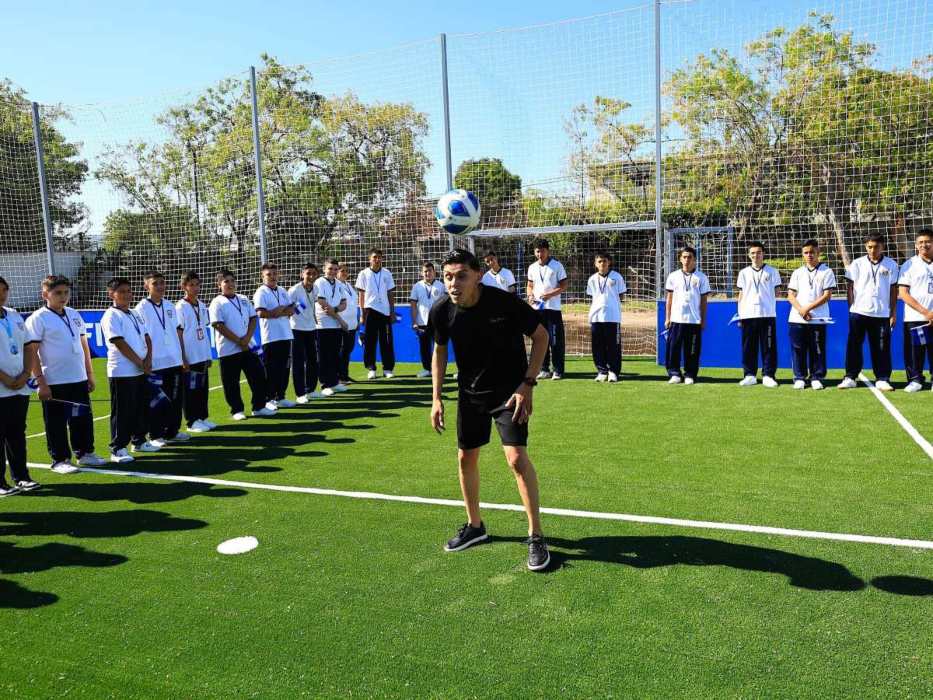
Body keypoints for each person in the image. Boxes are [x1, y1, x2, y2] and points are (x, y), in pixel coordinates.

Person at [430, 249, 552, 572]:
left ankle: (536, 535)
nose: (453, 283)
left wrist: (527, 384)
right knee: (465, 457)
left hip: (509, 393)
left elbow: (541, 337)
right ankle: (475, 526)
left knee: (516, 459)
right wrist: (436, 397)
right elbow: (439, 351)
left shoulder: (504, 302)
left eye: (461, 276)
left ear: (478, 276)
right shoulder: (441, 309)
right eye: (448, 277)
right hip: (470, 394)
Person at [24, 274, 106, 472]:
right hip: (53, 380)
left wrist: (89, 373)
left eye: (66, 292)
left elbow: (84, 345)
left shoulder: (73, 313)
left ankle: (85, 453)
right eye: (58, 293)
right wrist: (41, 382)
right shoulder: (38, 318)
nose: (63, 297)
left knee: (82, 418)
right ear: (45, 294)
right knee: (56, 422)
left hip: (78, 377)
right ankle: (60, 460)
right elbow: (31, 351)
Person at [100, 277, 161, 462]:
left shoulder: (134, 313)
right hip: (122, 371)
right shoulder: (111, 315)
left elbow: (147, 338)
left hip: (139, 369)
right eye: (122, 291)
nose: (127, 294)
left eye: (129, 291)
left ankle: (139, 441)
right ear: (111, 294)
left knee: (140, 408)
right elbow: (118, 342)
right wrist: (139, 362)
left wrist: (148, 359)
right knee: (122, 411)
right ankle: (117, 448)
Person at [209, 269, 275, 420]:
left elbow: (253, 319)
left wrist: (247, 339)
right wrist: (239, 341)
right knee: (231, 382)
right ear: (218, 284)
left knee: (258, 376)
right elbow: (218, 325)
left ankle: (259, 406)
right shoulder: (217, 302)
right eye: (226, 281)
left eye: (232, 281)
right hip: (228, 349)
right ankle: (237, 410)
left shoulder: (243, 298)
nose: (230, 284)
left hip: (248, 346)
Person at [839, 234, 899, 391]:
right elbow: (850, 288)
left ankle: (882, 378)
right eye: (869, 247)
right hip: (859, 312)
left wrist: (893, 312)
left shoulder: (891, 264)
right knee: (854, 345)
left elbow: (893, 290)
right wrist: (852, 308)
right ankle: (850, 376)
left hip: (881, 314)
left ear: (883, 247)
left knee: (881, 347)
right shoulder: (857, 264)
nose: (873, 250)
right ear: (866, 247)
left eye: (876, 247)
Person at [135, 271, 189, 445]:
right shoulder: (141, 308)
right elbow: (142, 336)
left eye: (162, 283)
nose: (160, 286)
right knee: (156, 400)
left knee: (175, 398)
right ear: (146, 286)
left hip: (174, 360)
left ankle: (172, 431)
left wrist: (183, 356)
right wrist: (146, 360)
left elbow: (178, 332)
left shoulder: (170, 305)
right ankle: (156, 434)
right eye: (155, 283)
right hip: (156, 363)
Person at [0, 277, 39, 495]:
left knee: (16, 433)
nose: (2, 294)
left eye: (4, 290)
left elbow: (28, 347)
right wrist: (5, 378)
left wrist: (26, 373)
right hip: (2, 385)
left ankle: (21, 477)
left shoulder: (13, 315)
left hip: (20, 385)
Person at [787, 240, 836, 391]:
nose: (809, 255)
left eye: (812, 252)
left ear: (818, 253)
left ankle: (816, 377)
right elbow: (790, 295)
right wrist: (801, 310)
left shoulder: (826, 271)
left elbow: (827, 295)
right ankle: (799, 377)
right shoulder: (797, 272)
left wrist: (807, 308)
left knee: (817, 349)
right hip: (797, 318)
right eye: (806, 253)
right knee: (798, 348)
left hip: (818, 318)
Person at [736, 242, 782, 387]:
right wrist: (739, 314)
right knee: (748, 346)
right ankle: (749, 375)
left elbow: (777, 292)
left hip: (767, 314)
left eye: (759, 252)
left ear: (763, 254)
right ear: (749, 255)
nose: (756, 255)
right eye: (753, 253)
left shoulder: (772, 271)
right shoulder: (743, 273)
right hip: (748, 315)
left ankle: (768, 375)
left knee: (768, 346)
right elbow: (741, 294)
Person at [663, 247, 710, 385]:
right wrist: (667, 318)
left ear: (694, 259)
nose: (687, 260)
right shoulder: (673, 276)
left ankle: (690, 374)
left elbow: (704, 301)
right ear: (680, 259)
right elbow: (669, 299)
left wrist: (702, 319)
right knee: (673, 348)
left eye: (690, 257)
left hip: (694, 320)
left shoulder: (701, 277)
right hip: (676, 319)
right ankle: (674, 373)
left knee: (692, 349)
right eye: (684, 257)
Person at [176, 271, 215, 432]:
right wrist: (183, 358)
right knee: (190, 390)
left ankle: (202, 417)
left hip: (202, 354)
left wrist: (208, 354)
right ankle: (192, 421)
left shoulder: (202, 304)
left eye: (197, 284)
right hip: (190, 356)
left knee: (202, 388)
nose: (195, 288)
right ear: (184, 287)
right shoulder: (180, 307)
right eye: (191, 284)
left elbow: (203, 330)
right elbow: (178, 333)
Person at [253, 262, 296, 409]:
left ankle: (281, 396)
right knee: (271, 369)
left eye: (274, 274)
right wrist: (278, 311)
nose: (272, 277)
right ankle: (269, 398)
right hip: (271, 337)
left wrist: (280, 310)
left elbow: (292, 310)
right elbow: (261, 313)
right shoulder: (261, 292)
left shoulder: (283, 290)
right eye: (268, 274)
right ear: (262, 276)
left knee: (285, 368)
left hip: (286, 334)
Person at [897, 228, 933, 393]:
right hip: (915, 316)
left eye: (928, 242)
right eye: (921, 242)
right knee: (914, 350)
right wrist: (926, 312)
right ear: (916, 245)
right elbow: (903, 293)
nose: (924, 245)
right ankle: (915, 380)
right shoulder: (909, 265)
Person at [526, 238, 567, 380]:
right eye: (537, 251)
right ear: (534, 252)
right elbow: (530, 285)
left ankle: (558, 370)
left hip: (553, 309)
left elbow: (563, 285)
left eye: (542, 251)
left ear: (547, 251)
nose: (540, 254)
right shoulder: (532, 267)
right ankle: (544, 369)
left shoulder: (557, 266)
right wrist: (530, 295)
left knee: (555, 340)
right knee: (539, 339)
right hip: (537, 310)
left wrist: (550, 295)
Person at [586, 252, 627, 383]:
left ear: (609, 262)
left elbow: (621, 296)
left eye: (604, 261)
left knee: (613, 345)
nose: (602, 264)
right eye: (599, 261)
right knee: (597, 345)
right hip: (596, 317)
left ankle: (613, 371)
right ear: (595, 264)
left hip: (613, 317)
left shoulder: (617, 277)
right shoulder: (592, 279)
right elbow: (592, 296)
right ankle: (602, 371)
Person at [356, 248, 396, 379]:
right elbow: (361, 295)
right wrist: (362, 314)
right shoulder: (363, 273)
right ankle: (371, 368)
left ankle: (388, 368)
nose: (377, 259)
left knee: (387, 341)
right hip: (370, 310)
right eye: (374, 257)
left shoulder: (387, 273)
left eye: (379, 257)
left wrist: (392, 312)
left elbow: (390, 293)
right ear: (370, 259)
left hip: (384, 311)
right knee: (370, 341)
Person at [314, 259, 349, 397]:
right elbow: (323, 304)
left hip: (335, 325)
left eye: (335, 269)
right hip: (322, 325)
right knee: (324, 356)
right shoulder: (319, 282)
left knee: (335, 354)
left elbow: (343, 304)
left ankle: (334, 382)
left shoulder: (339, 284)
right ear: (324, 269)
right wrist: (340, 319)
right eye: (330, 269)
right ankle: (325, 384)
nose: (333, 272)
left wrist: (336, 310)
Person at [289, 262, 323, 402]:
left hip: (311, 329)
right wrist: (299, 307)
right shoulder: (294, 290)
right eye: (308, 273)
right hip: (296, 329)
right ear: (302, 274)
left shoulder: (315, 288)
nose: (310, 276)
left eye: (313, 274)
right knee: (298, 362)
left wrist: (314, 319)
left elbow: (312, 305)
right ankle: (300, 394)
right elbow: (288, 311)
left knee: (312, 361)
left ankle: (311, 389)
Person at [409, 261, 446, 378]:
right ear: (421, 273)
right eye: (425, 271)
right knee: (424, 348)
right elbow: (414, 305)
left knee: (439, 348)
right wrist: (414, 321)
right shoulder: (417, 286)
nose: (427, 273)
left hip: (438, 322)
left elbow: (445, 305)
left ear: (434, 272)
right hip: (422, 322)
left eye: (429, 271)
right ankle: (427, 369)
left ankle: (440, 370)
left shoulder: (441, 286)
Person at [336, 263, 358, 384]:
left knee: (348, 349)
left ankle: (345, 374)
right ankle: (340, 377)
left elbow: (353, 304)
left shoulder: (349, 285)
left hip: (352, 323)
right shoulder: (336, 286)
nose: (344, 273)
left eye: (346, 271)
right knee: (342, 350)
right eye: (342, 270)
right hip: (342, 323)